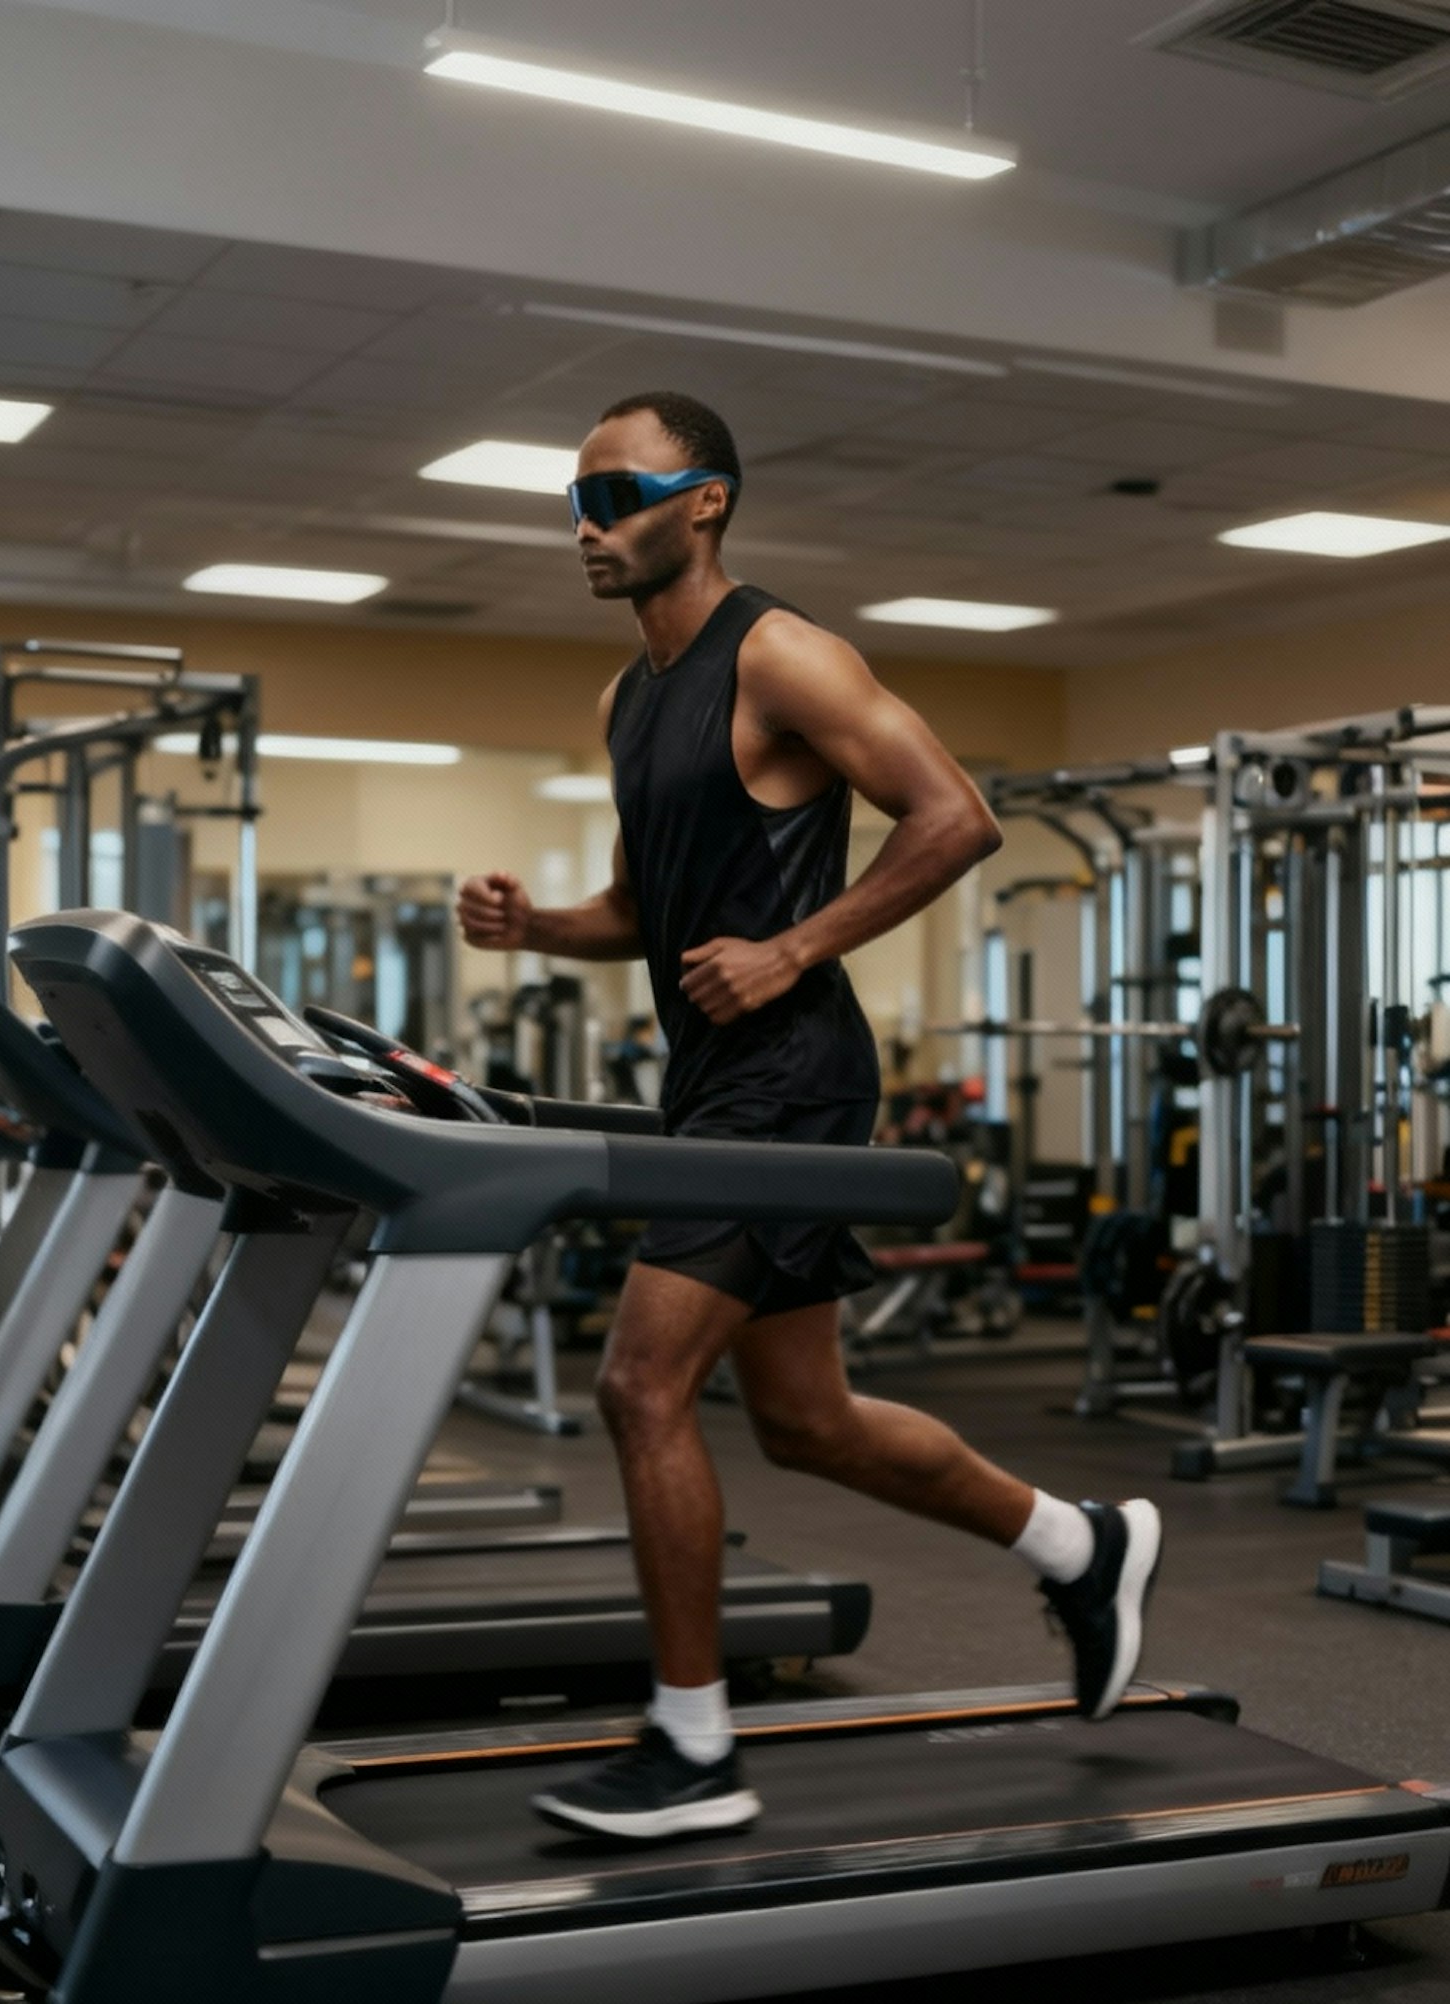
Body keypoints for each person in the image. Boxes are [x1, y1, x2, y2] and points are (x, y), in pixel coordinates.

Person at [457, 390, 1161, 1843]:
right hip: (714, 1080)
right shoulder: (628, 696)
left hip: (794, 1077)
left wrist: (796, 946)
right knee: (806, 1420)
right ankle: (1078, 1543)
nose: (588, 527)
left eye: (619, 495)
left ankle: (696, 1746)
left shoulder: (779, 652)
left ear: (705, 499)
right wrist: (538, 927)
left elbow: (956, 814)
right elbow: (648, 919)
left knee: (641, 1385)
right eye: (576, 502)